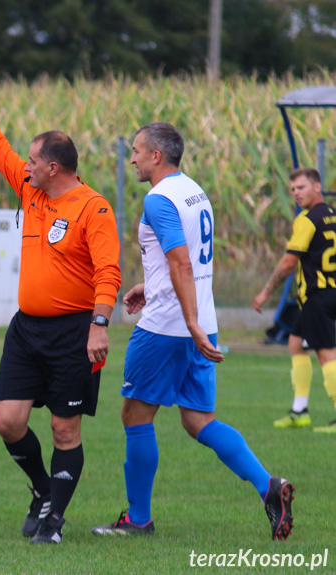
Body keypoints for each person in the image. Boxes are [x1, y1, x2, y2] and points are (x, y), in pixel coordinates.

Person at [91, 122, 294, 540]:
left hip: (170, 327)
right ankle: (268, 486)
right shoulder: (194, 191)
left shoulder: (158, 199)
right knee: (199, 419)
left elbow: (183, 263)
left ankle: (138, 518)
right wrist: (155, 288)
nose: (132, 158)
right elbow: (188, 263)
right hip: (201, 321)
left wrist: (187, 322)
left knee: (135, 413)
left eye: (136, 151)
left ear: (156, 156)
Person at [0, 64, 122, 545]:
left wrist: (99, 324)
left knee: (63, 429)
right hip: (26, 330)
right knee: (7, 421)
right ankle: (42, 490)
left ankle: (54, 521)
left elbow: (108, 272)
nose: (24, 165)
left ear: (55, 167)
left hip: (74, 332)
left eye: (34, 160)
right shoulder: (31, 191)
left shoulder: (93, 208)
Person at [253, 167, 336, 433]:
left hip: (318, 296)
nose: (296, 193)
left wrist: (266, 291)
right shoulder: (333, 215)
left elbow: (289, 262)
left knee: (327, 355)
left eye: (301, 187)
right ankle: (300, 411)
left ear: (317, 186)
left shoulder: (307, 219)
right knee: (295, 342)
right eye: (293, 189)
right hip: (328, 293)